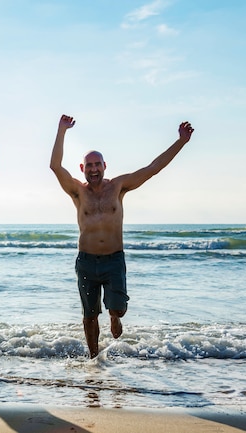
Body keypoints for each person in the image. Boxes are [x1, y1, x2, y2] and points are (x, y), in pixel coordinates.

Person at [50, 114, 194, 358]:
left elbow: (153, 168)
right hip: (86, 262)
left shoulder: (118, 186)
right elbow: (55, 166)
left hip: (114, 260)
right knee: (89, 315)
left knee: (118, 308)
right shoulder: (78, 192)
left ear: (105, 166)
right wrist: (62, 130)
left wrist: (181, 142)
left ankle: (115, 317)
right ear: (83, 169)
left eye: (98, 164)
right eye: (90, 165)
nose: (94, 169)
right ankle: (93, 360)